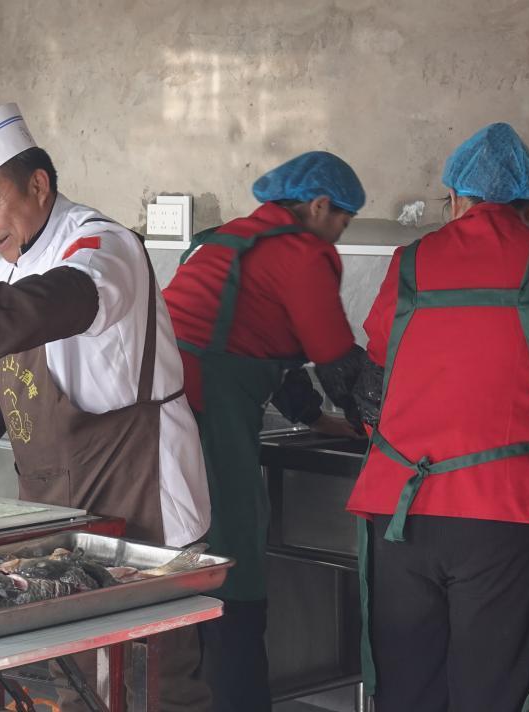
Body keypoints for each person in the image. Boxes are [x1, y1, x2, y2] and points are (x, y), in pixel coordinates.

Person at [0, 103, 211, 710]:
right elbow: (8, 378)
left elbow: (66, 297)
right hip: (60, 506)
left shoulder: (101, 244)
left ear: (38, 184)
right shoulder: (15, 267)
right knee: (72, 676)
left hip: (141, 491)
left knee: (152, 679)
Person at [347, 122, 529, 712]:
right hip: (507, 514)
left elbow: (373, 393)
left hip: (398, 514)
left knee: (406, 691)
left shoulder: (409, 261)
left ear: (454, 198)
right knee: (493, 692)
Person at [161, 151, 369, 712]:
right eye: (343, 221)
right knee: (231, 554)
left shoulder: (222, 240)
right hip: (209, 411)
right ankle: (238, 697)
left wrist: (313, 418)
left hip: (154, 411)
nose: (340, 234)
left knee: (182, 549)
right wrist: (379, 424)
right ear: (320, 206)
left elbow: (268, 343)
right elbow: (335, 357)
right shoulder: (301, 252)